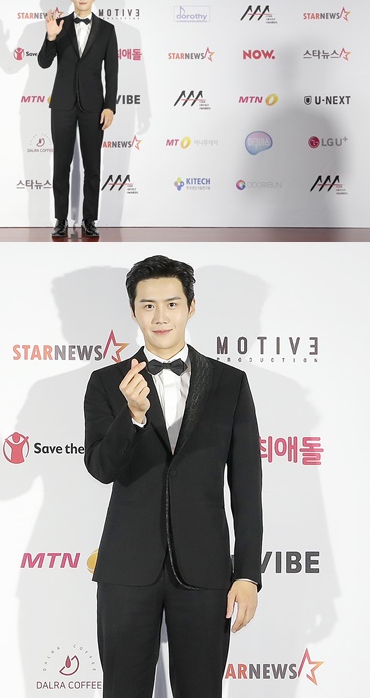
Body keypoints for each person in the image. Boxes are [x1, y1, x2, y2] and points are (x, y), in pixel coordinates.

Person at [84, 255, 263, 698]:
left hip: (206, 570)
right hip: (126, 569)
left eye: (171, 304)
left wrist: (247, 575)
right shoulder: (106, 383)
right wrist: (133, 416)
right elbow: (101, 468)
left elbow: (247, 487)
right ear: (133, 311)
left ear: (191, 307)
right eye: (148, 305)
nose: (160, 317)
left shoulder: (230, 383)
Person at [38, 0, 118, 240]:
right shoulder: (58, 25)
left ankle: (89, 220)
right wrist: (51, 37)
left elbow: (112, 72)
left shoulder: (107, 30)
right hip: (62, 104)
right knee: (61, 164)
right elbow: (43, 63)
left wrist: (110, 106)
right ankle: (60, 220)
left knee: (92, 165)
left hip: (94, 106)